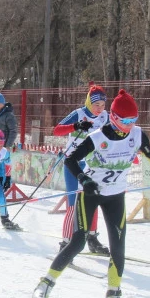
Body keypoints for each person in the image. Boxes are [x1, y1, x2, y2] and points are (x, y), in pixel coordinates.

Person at [31, 89, 150, 298]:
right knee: (77, 243)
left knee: (118, 246)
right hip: (90, 194)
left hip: (116, 196)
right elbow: (70, 159)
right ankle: (45, 284)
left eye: (133, 120)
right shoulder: (98, 137)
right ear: (115, 118)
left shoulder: (137, 135)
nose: (130, 125)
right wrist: (84, 179)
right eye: (125, 121)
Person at [53, 85, 110, 254]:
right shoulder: (79, 114)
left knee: (93, 202)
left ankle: (92, 239)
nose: (99, 108)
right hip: (73, 164)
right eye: (96, 105)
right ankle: (65, 243)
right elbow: (56, 131)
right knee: (73, 205)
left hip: (93, 165)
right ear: (88, 102)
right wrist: (76, 126)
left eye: (102, 104)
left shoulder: (105, 117)